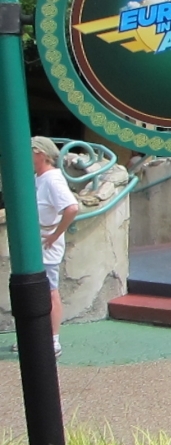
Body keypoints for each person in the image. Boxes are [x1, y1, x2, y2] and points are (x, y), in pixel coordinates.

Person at [31, 136, 79, 358]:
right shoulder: (36, 178)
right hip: (34, 247)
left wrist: (55, 235)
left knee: (50, 292)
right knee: (34, 291)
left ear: (40, 153)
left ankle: (53, 340)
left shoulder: (52, 180)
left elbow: (71, 208)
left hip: (46, 247)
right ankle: (34, 337)